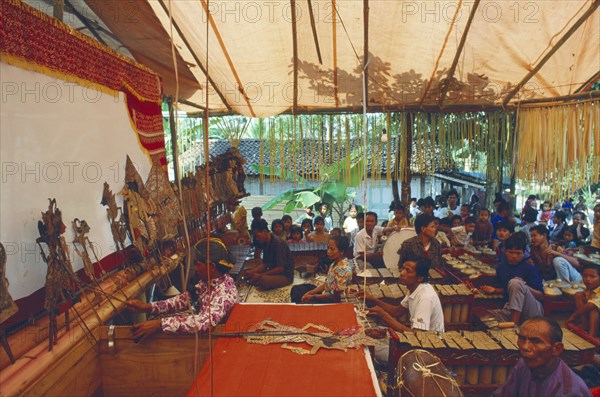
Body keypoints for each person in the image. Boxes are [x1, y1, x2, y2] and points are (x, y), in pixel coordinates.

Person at [126, 238, 238, 340]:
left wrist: (160, 324)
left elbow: (204, 322)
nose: (195, 267)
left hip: (221, 343)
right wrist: (148, 307)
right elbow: (183, 300)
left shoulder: (224, 293)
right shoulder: (208, 282)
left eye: (197, 264)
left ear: (212, 267)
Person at [492, 316, 591, 397]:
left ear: (556, 349)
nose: (525, 347)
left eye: (536, 341)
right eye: (522, 339)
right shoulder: (524, 364)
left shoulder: (569, 392)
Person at [362, 257, 444, 333]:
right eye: (403, 268)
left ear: (420, 278)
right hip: (419, 336)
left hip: (428, 343)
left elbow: (418, 334)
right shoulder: (414, 288)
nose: (402, 273)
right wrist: (373, 299)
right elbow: (397, 312)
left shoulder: (425, 297)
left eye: (408, 271)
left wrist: (383, 315)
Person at [481, 232, 544, 324]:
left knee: (516, 282)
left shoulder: (530, 269)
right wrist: (495, 290)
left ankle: (513, 326)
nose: (514, 256)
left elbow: (541, 296)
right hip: (512, 308)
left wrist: (524, 286)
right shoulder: (501, 268)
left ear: (524, 253)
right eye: (511, 252)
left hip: (532, 311)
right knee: (484, 315)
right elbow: (509, 290)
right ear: (505, 251)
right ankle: (513, 321)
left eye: (518, 253)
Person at [290, 236, 353, 304]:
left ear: (341, 251)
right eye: (328, 248)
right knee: (296, 289)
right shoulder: (334, 263)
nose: (328, 251)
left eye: (332, 249)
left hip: (331, 300)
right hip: (325, 292)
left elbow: (334, 295)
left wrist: (313, 296)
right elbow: (327, 284)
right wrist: (310, 292)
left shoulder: (344, 269)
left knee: (306, 301)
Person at [244, 219, 294, 290]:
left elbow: (280, 268)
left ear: (264, 231)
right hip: (274, 272)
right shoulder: (264, 242)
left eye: (258, 236)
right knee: (249, 274)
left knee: (263, 280)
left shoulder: (278, 243)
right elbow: (265, 264)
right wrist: (252, 271)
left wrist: (260, 275)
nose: (257, 239)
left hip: (285, 275)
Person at [568, 263, 599, 338]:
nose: (588, 279)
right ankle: (584, 325)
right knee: (578, 295)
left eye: (592, 276)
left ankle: (591, 337)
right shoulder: (589, 289)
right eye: (585, 276)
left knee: (593, 311)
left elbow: (591, 305)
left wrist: (573, 316)